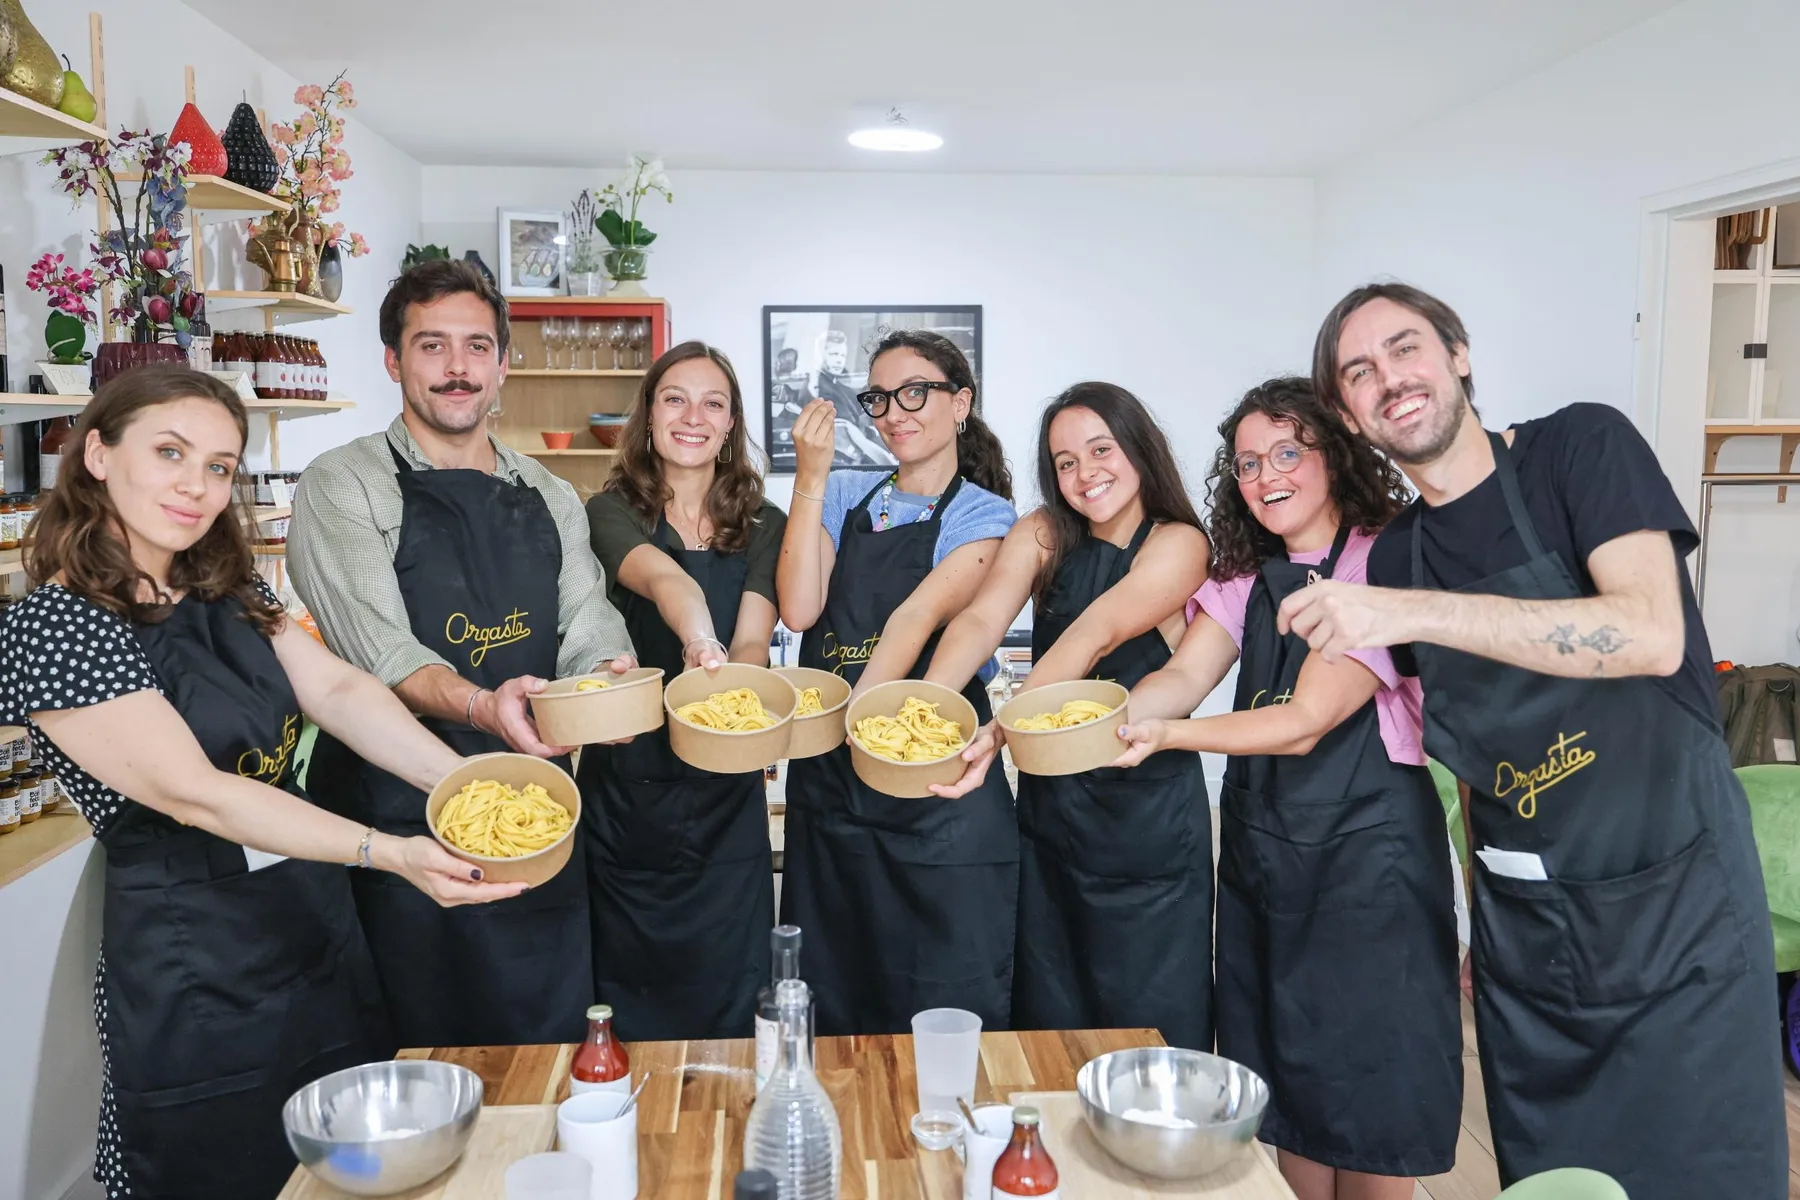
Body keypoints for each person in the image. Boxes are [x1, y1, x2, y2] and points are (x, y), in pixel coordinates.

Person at [1283, 281, 1786, 1199]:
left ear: (1459, 355)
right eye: (1359, 373)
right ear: (1349, 416)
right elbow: (1474, 754)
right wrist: (1483, 914)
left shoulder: (1578, 451)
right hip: (1534, 945)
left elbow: (1649, 634)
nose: (1389, 379)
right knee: (1554, 1180)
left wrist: (1401, 609)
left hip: (1678, 918)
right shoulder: (1402, 552)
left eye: (1406, 349)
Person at [0, 367, 523, 1200]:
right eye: (170, 452)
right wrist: (389, 852)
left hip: (308, 926)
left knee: (347, 1163)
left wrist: (475, 786)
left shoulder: (224, 587)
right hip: (193, 960)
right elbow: (196, 793)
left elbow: (342, 691)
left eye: (218, 466)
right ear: (96, 452)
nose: (196, 485)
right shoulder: (55, 626)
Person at [1112, 377, 1460, 1198]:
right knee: (1288, 1083)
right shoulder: (1247, 577)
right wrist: (1094, 720)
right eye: (1245, 463)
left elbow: (1305, 718)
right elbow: (1182, 676)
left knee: (1368, 1089)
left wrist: (1169, 735)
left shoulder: (1386, 560)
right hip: (1269, 865)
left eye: (1286, 452)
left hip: (1369, 869)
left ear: (1334, 454)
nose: (1265, 474)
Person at [289, 260, 635, 1048]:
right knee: (416, 1050)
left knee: (546, 1043)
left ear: (503, 362)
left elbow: (587, 617)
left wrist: (600, 686)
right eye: (432, 346)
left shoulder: (548, 493)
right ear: (393, 360)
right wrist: (483, 704)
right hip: (396, 823)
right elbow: (377, 650)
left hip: (537, 818)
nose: (457, 369)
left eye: (477, 347)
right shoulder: (344, 485)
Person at [923, 382, 1215, 1048]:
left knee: (1150, 1023)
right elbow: (978, 619)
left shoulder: (1178, 544)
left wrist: (1003, 727)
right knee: (1053, 1020)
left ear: (1139, 449)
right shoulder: (1042, 533)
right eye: (1065, 462)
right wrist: (930, 707)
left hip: (1146, 816)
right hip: (1056, 814)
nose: (1086, 474)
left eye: (1101, 450)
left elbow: (1096, 635)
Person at [775, 329, 1019, 1034]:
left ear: (960, 402)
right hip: (833, 790)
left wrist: (864, 725)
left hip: (935, 781)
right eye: (880, 397)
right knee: (837, 988)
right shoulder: (845, 491)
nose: (895, 411)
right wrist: (810, 477)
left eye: (916, 392)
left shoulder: (984, 513)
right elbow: (799, 607)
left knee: (944, 992)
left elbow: (916, 617)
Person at [580, 341, 784, 1040]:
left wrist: (738, 700)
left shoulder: (765, 523)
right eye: (675, 398)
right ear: (649, 414)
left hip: (726, 786)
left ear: (731, 424)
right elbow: (667, 581)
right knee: (629, 999)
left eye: (713, 403)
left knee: (735, 991)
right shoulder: (608, 513)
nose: (693, 416)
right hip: (629, 785)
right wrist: (700, 642)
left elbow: (754, 640)